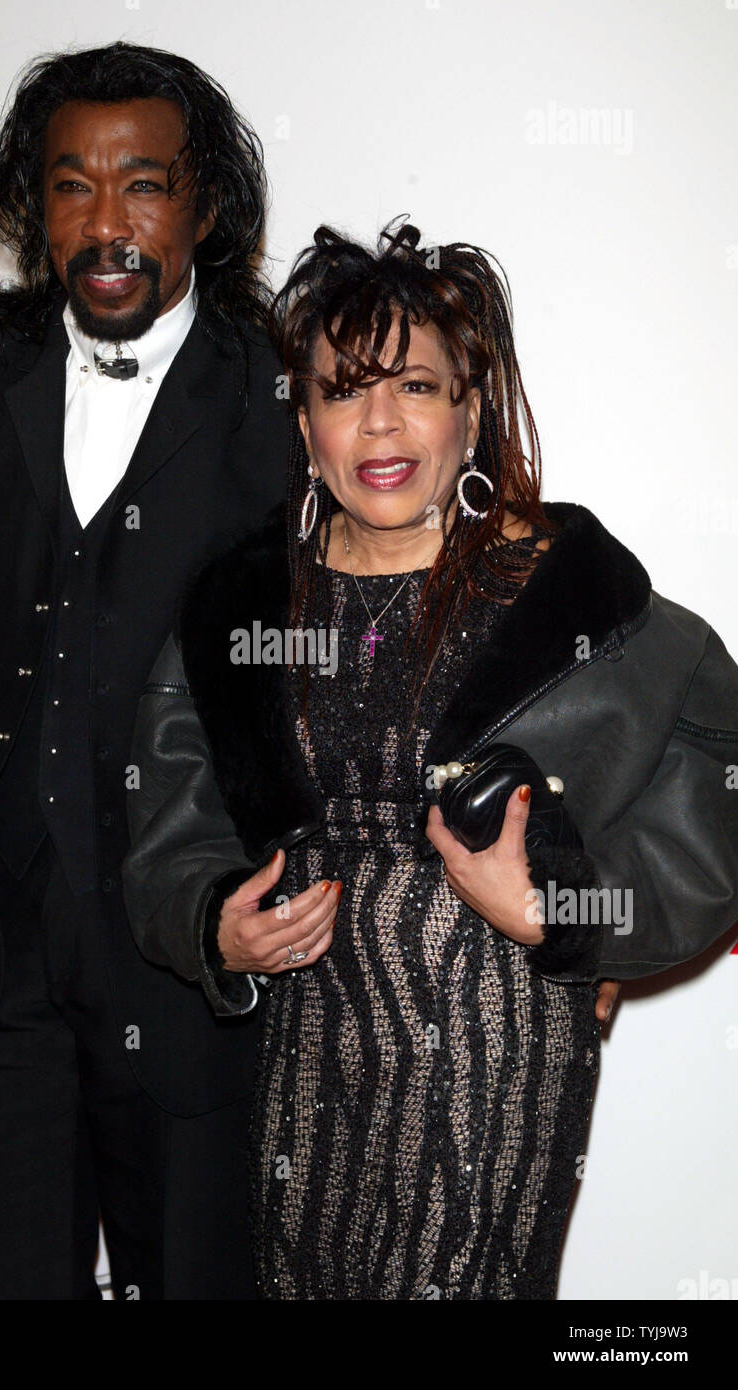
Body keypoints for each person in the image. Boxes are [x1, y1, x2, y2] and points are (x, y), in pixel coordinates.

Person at [123, 221, 738, 1299]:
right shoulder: (241, 608)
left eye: (413, 384)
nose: (377, 423)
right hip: (306, 1054)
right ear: (303, 425)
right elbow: (169, 830)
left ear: (469, 406)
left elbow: (710, 810)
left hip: (492, 1045)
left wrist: (568, 915)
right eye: (337, 390)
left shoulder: (571, 597)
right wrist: (214, 925)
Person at [0, 42, 287, 1300]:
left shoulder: (282, 393)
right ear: (30, 207)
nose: (106, 223)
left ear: (204, 206)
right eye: (69, 186)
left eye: (142, 184)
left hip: (197, 967)